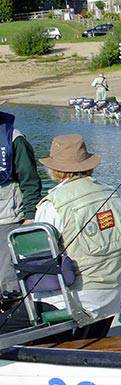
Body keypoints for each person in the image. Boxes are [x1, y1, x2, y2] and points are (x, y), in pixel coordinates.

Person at [35, 134, 121, 325]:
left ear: (54, 169)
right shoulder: (111, 194)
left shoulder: (53, 204)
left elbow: (39, 259)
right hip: (112, 297)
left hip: (74, 300)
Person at [0, 107, 42, 294]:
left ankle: (13, 308)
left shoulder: (15, 139)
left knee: (7, 278)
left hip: (8, 219)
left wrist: (30, 216)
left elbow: (31, 181)